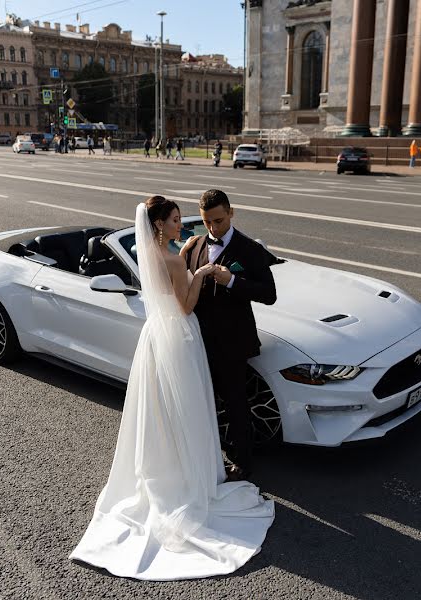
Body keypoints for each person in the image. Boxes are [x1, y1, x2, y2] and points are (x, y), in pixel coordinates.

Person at [70, 196, 275, 580]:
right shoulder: (179, 255)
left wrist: (223, 277)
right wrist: (198, 276)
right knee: (190, 406)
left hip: (157, 338)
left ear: (230, 215)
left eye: (192, 220)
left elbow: (266, 291)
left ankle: (176, 468)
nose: (192, 227)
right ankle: (195, 471)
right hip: (181, 335)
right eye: (180, 220)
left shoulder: (154, 252)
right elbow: (184, 306)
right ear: (160, 224)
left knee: (166, 409)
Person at [181, 189, 277, 481]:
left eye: (219, 221)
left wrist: (232, 280)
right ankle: (210, 457)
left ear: (231, 213)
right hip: (199, 341)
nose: (212, 228)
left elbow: (269, 294)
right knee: (203, 402)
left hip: (233, 342)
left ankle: (243, 463)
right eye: (207, 222)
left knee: (236, 403)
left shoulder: (249, 249)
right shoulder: (195, 244)